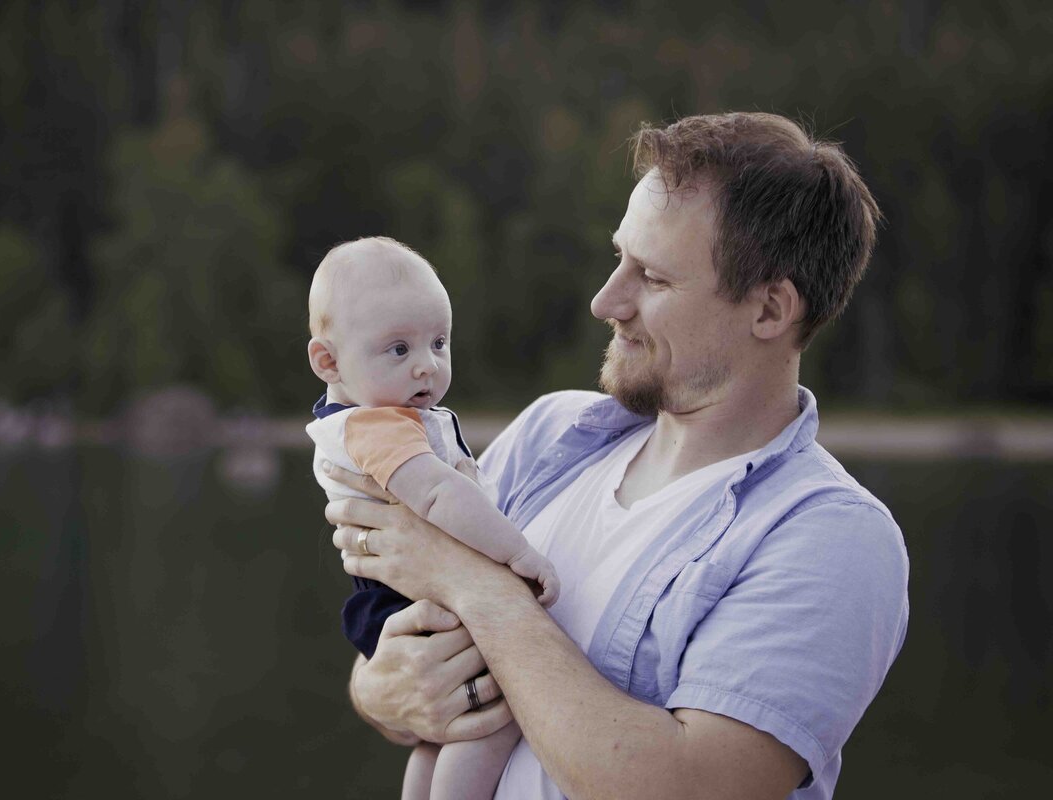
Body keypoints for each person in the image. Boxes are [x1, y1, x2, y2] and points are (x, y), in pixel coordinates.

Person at [324, 112, 910, 799]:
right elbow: (398, 671)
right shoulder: (550, 436)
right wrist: (380, 690)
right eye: (617, 259)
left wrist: (479, 588)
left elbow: (686, 787)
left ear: (770, 310)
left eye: (652, 279)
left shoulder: (832, 539)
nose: (607, 300)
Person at [305, 236, 560, 799]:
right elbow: (439, 498)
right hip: (410, 604)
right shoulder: (378, 426)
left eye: (439, 343)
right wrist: (516, 553)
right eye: (398, 350)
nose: (426, 365)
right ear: (328, 361)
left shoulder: (377, 416)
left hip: (400, 603)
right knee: (490, 723)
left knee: (436, 735)